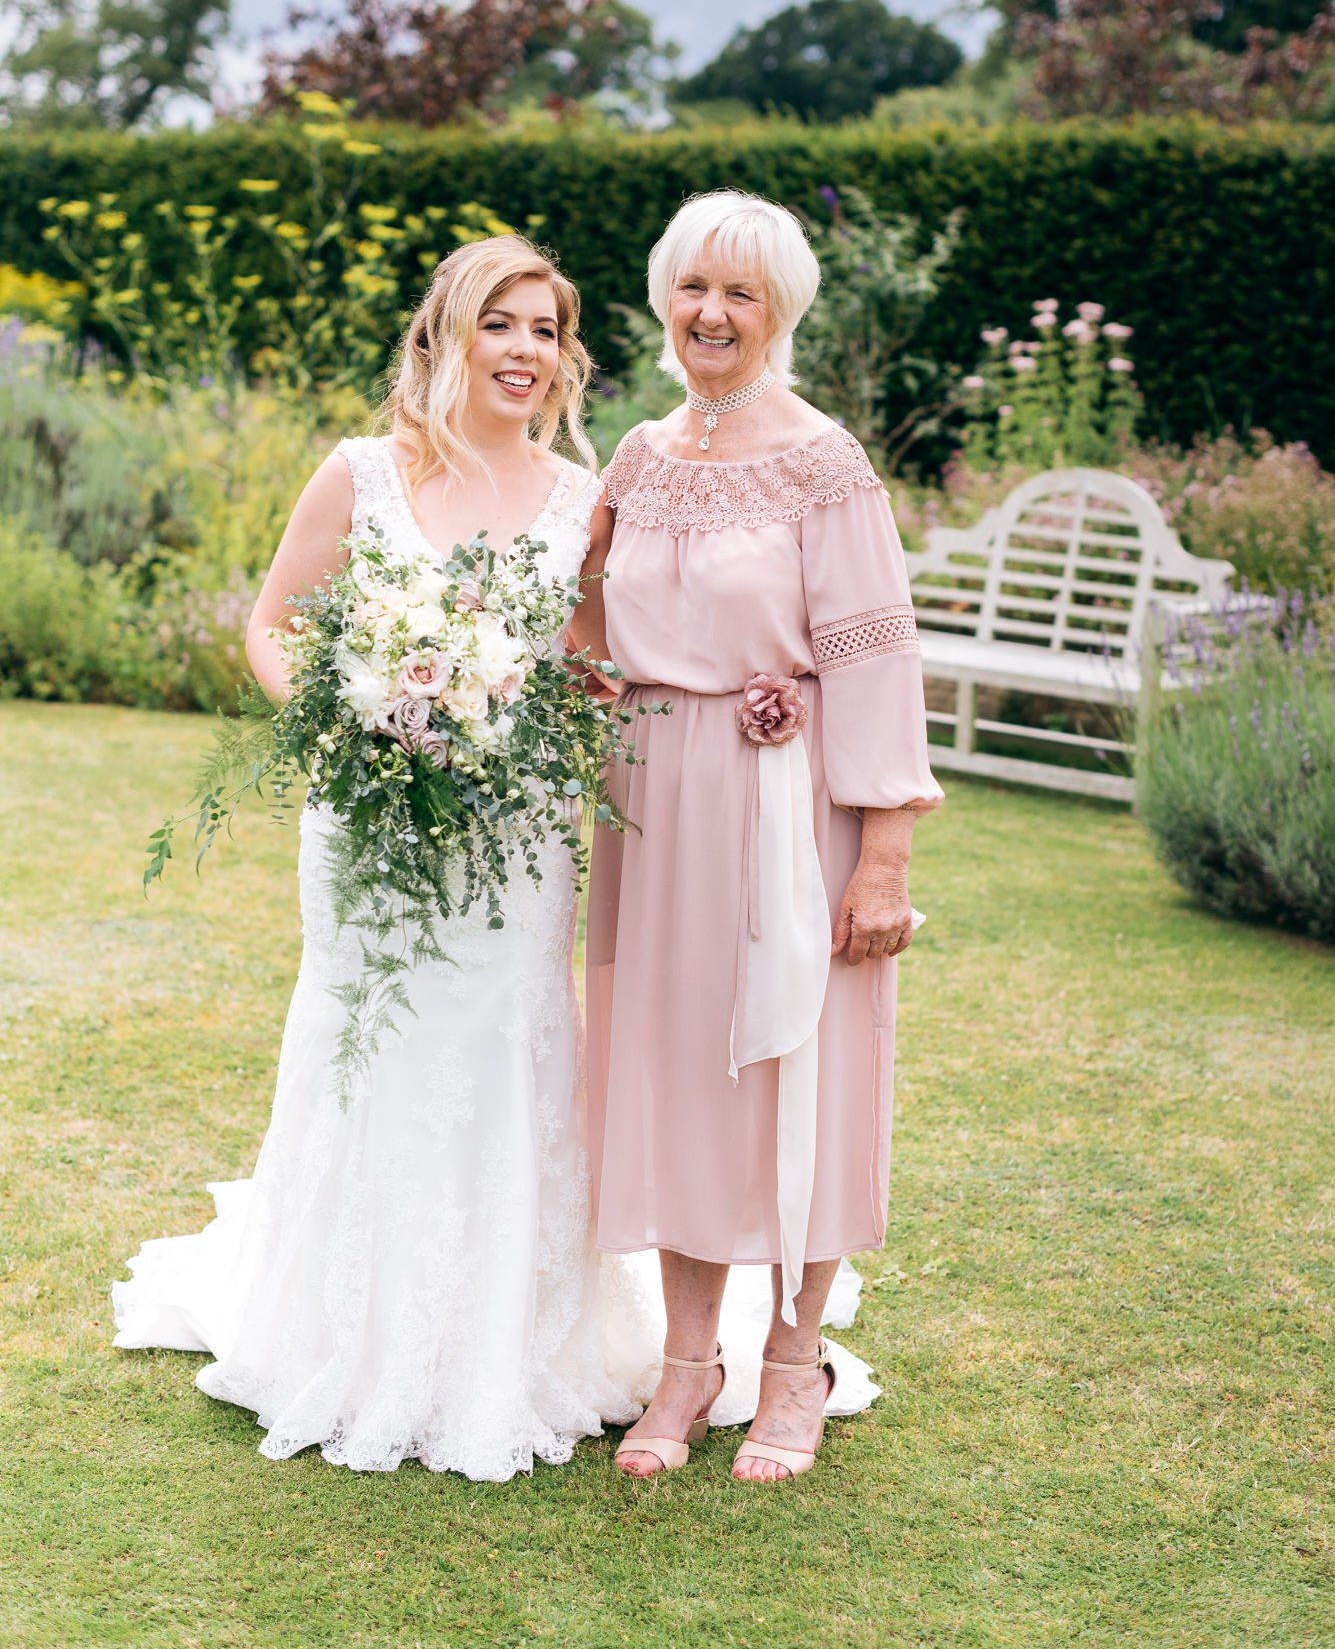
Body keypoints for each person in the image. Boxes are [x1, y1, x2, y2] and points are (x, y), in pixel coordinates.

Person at [112, 235, 640, 1483]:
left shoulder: (581, 496)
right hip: (368, 818)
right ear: (443, 333)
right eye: (500, 323)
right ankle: (342, 1330)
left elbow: (600, 658)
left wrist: (534, 713)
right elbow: (272, 622)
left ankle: (504, 1336)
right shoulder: (361, 472)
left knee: (508, 1041)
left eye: (547, 331)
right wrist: (355, 711)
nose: (525, 351)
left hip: (515, 832)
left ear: (565, 358)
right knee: (366, 1032)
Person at [578, 190, 943, 1482]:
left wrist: (884, 856)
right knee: (676, 1073)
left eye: (739, 294)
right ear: (662, 300)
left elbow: (872, 656)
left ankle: (795, 1362)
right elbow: (585, 619)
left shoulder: (823, 462)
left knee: (804, 1077)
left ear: (778, 310)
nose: (710, 315)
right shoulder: (633, 454)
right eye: (691, 288)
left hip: (789, 809)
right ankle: (688, 1366)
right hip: (654, 814)